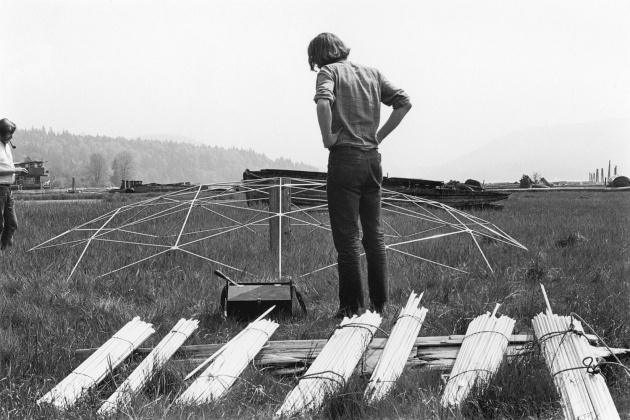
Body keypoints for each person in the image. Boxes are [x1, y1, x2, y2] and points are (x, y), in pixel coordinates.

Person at [308, 33, 412, 317]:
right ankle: (380, 307)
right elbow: (404, 103)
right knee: (374, 235)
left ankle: (352, 309)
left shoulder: (330, 72)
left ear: (319, 57)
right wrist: (378, 136)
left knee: (348, 239)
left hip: (344, 159)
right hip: (372, 160)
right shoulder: (372, 74)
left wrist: (328, 139)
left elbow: (322, 103)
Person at [0, 118, 27, 251]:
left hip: (8, 189)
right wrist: (16, 170)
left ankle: (4, 252)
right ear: (2, 133)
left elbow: (6, 166)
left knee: (12, 223)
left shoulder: (6, 146)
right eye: (9, 133)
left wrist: (18, 169)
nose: (12, 136)